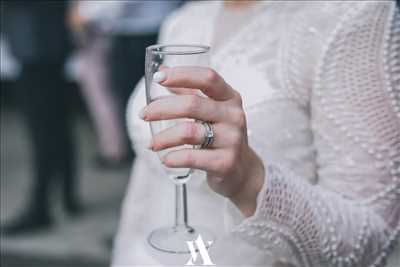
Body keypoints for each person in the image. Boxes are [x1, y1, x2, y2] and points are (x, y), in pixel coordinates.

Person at [112, 1, 400, 266]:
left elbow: (373, 241)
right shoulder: (185, 19)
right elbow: (147, 178)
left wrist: (250, 182)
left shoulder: (352, 17)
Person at [1, 1, 80, 234]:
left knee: (43, 127)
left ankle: (42, 205)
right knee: (56, 122)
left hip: (36, 40)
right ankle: (66, 196)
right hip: (44, 37)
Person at [68, 1, 129, 167]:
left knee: (101, 96)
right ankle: (113, 146)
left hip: (97, 32)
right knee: (102, 94)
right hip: (99, 31)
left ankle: (113, 148)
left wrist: (81, 14)